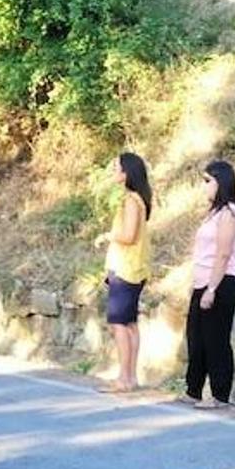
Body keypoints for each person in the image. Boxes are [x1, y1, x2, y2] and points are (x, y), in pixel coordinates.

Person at [185, 160, 235, 409]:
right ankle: (193, 390)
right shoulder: (214, 213)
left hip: (222, 281)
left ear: (221, 181)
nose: (204, 186)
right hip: (204, 281)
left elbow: (223, 253)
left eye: (208, 181)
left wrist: (211, 289)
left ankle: (220, 395)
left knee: (216, 339)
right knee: (196, 336)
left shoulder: (230, 212)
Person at [95, 152, 152, 393]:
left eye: (117, 167)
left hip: (126, 268)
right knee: (129, 323)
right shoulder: (140, 199)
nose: (114, 171)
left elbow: (129, 236)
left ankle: (124, 378)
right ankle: (130, 377)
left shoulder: (131, 201)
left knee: (119, 323)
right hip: (135, 268)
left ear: (127, 172)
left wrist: (107, 236)